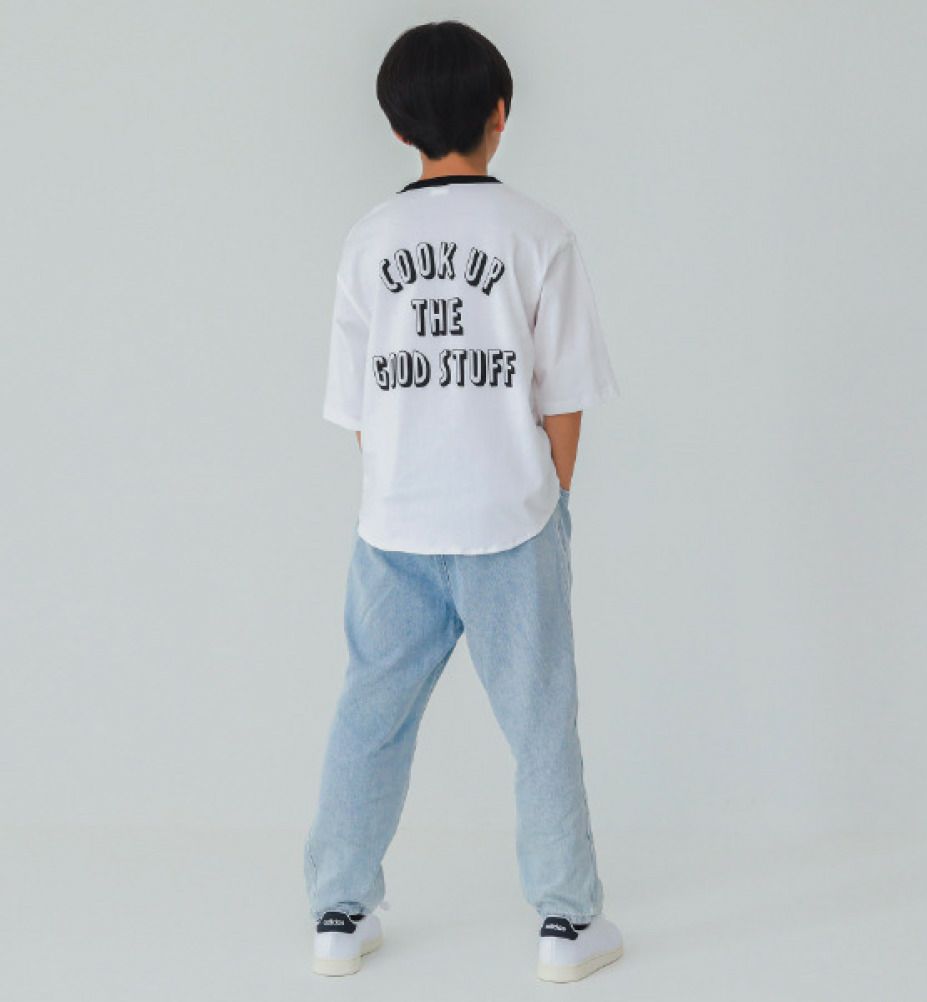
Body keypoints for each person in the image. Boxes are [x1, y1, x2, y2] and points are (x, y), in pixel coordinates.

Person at [304, 20, 623, 983]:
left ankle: (338, 912)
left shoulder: (369, 241)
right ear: (500, 114)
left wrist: (401, 480)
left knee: (371, 715)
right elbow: (564, 394)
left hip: (395, 523)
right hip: (510, 519)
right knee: (540, 719)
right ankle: (566, 921)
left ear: (398, 128)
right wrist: (551, 494)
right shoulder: (538, 233)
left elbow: (360, 406)